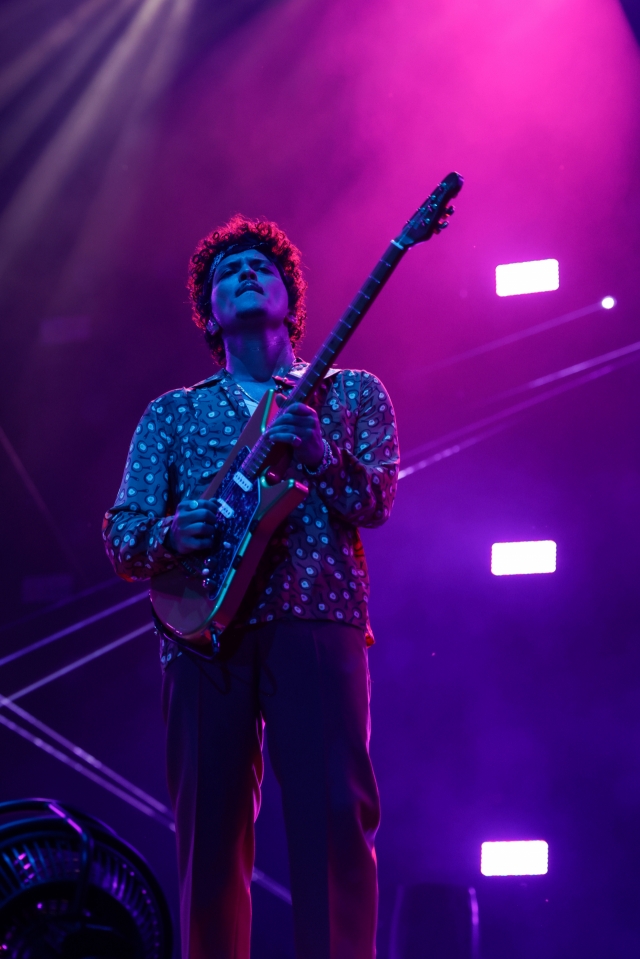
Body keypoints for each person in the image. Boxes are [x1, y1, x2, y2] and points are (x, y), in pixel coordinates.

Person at [103, 216, 399, 959]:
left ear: (290, 302)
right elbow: (122, 531)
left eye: (260, 266)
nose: (243, 272)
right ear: (208, 312)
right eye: (225, 270)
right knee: (208, 838)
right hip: (201, 635)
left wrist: (324, 457)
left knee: (334, 821)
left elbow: (378, 501)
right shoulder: (174, 412)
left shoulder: (351, 393)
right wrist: (172, 533)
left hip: (317, 616)